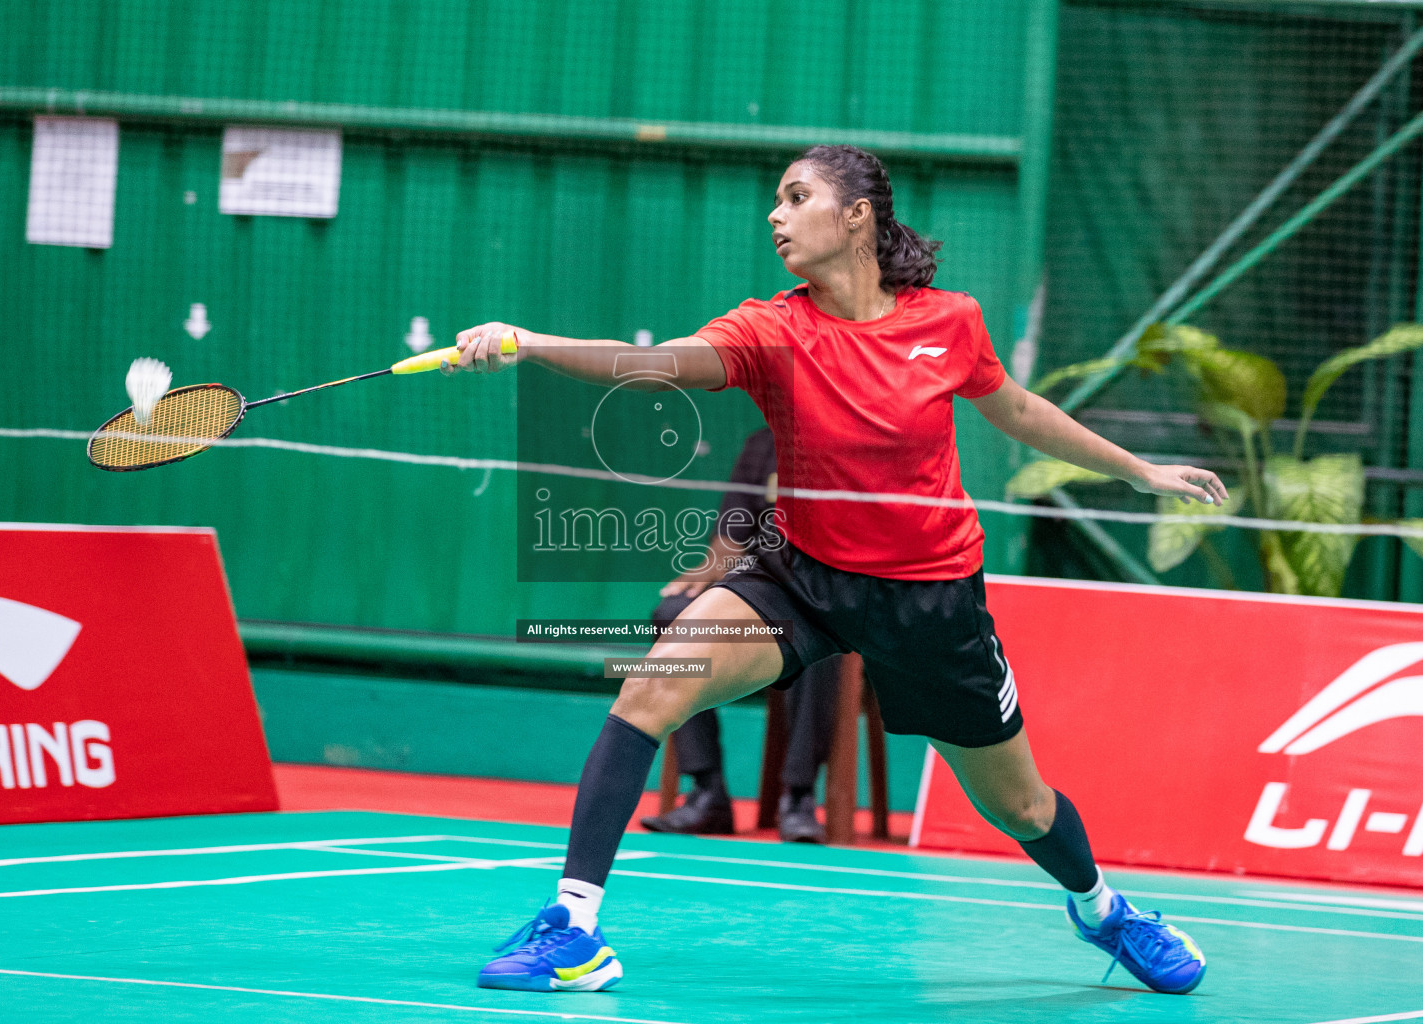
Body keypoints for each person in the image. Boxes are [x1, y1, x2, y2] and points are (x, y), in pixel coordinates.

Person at [452, 144, 1223, 996]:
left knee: (1022, 807)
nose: (776, 216)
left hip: (931, 603)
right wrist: (530, 343)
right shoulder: (771, 329)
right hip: (803, 578)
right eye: (774, 202)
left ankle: (1104, 912)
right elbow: (660, 365)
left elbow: (1017, 408)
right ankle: (574, 928)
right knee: (650, 687)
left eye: (796, 197)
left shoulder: (949, 320)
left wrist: (1138, 471)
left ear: (856, 214)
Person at [639, 427, 839, 843]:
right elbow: (732, 535)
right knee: (673, 614)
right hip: (763, 592)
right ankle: (707, 793)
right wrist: (707, 573)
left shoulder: (858, 441)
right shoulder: (764, 443)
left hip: (833, 592)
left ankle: (799, 796)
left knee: (825, 637)